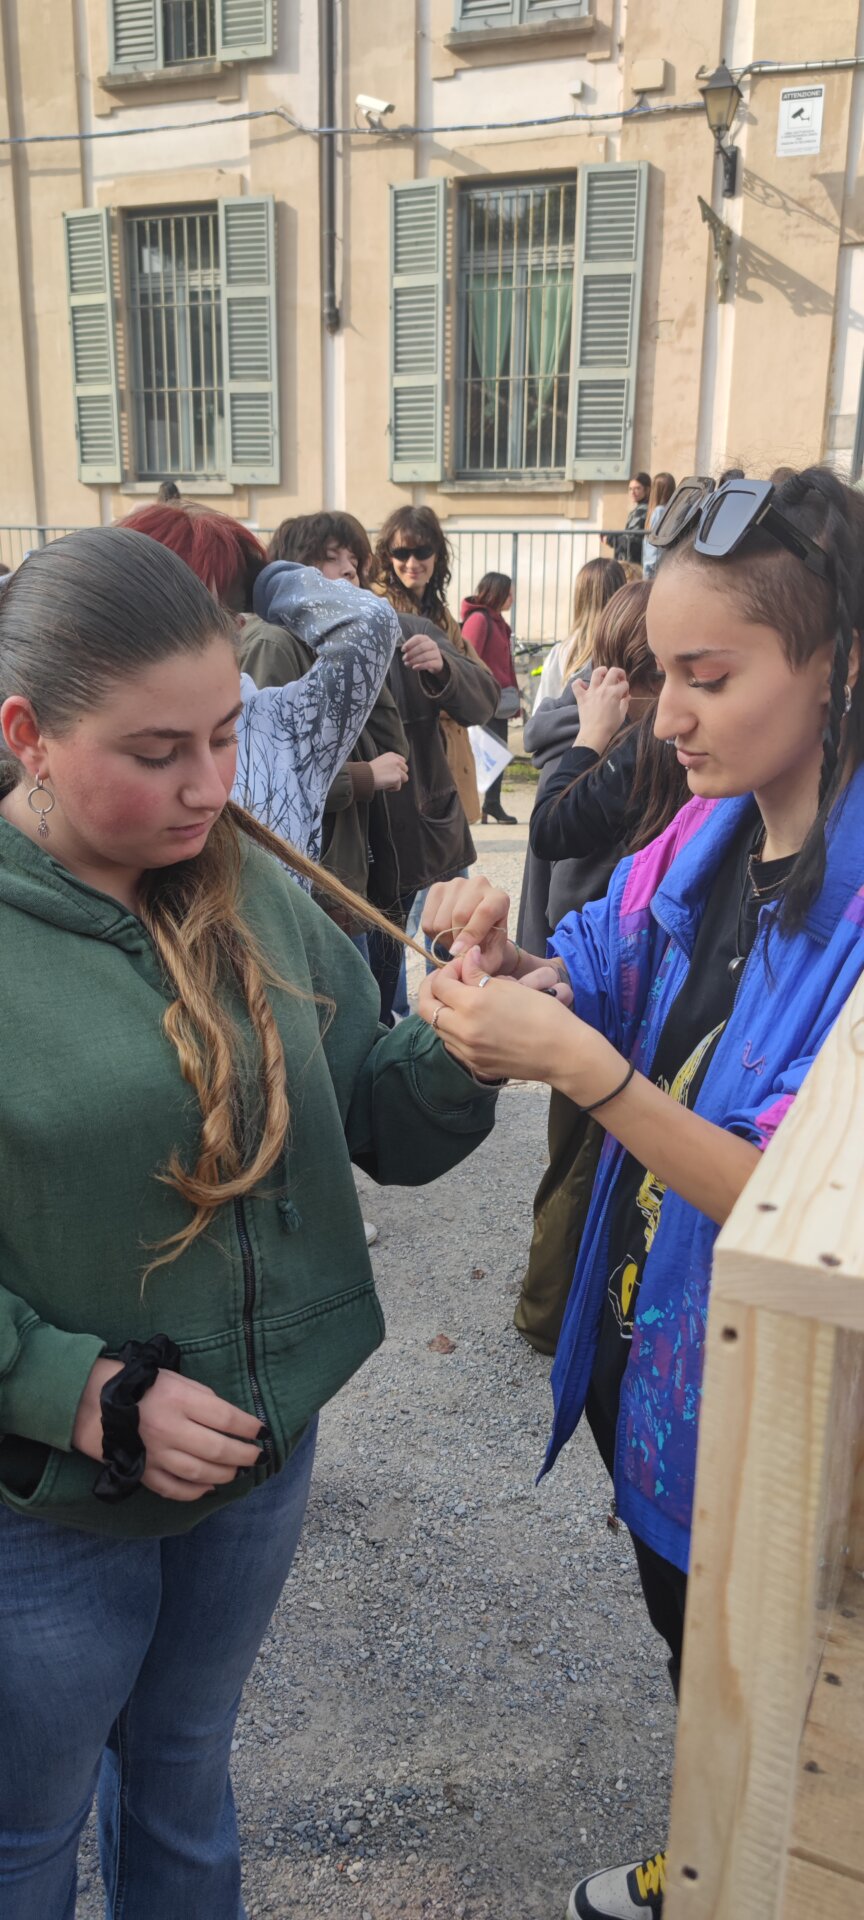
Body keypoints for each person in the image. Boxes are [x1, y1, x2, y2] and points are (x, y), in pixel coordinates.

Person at [0, 527, 502, 1919]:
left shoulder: (259, 885)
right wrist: (79, 1391)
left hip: (259, 1462)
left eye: (225, 735)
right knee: (24, 1837)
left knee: (184, 1780)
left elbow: (378, 1125)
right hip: (43, 1506)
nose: (210, 786)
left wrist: (469, 1034)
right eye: (157, 751)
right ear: (27, 735)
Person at [417, 467, 864, 1919]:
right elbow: (605, 960)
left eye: (707, 675)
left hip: (782, 1411)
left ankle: (754, 1870)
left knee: (791, 1696)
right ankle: (709, 1839)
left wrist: (591, 1078)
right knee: (699, 1653)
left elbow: (811, 1202)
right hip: (653, 1363)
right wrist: (512, 960)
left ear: (842, 661)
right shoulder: (710, 832)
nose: (667, 718)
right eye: (653, 674)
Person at [122, 502, 399, 866]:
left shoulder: (285, 725)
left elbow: (372, 622)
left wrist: (261, 580)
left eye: (216, 614)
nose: (206, 795)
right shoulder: (98, 717)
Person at [373, 505, 495, 827]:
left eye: (422, 551)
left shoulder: (440, 614)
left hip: (451, 763)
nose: (412, 563)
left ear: (437, 554)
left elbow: (481, 683)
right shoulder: (377, 609)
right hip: (410, 767)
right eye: (401, 552)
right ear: (388, 556)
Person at [460, 570, 519, 825]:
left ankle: (492, 804)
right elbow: (466, 659)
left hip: (500, 700)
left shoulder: (498, 623)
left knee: (498, 754)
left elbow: (506, 663)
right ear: (497, 593)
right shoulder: (480, 620)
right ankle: (479, 804)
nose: (512, 598)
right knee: (487, 756)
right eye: (509, 593)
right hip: (484, 699)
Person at [532, 557, 626, 709]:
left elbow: (541, 714)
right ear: (621, 592)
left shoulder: (562, 652)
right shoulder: (632, 647)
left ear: (580, 597)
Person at [604, 471, 651, 566]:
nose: (632, 492)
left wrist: (610, 538)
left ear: (646, 489)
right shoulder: (639, 509)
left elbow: (631, 540)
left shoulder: (642, 510)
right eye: (630, 489)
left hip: (634, 563)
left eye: (637, 488)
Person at [640, 472, 676, 580]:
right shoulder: (670, 510)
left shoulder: (659, 511)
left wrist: (648, 568)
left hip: (654, 568)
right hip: (662, 566)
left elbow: (654, 544)